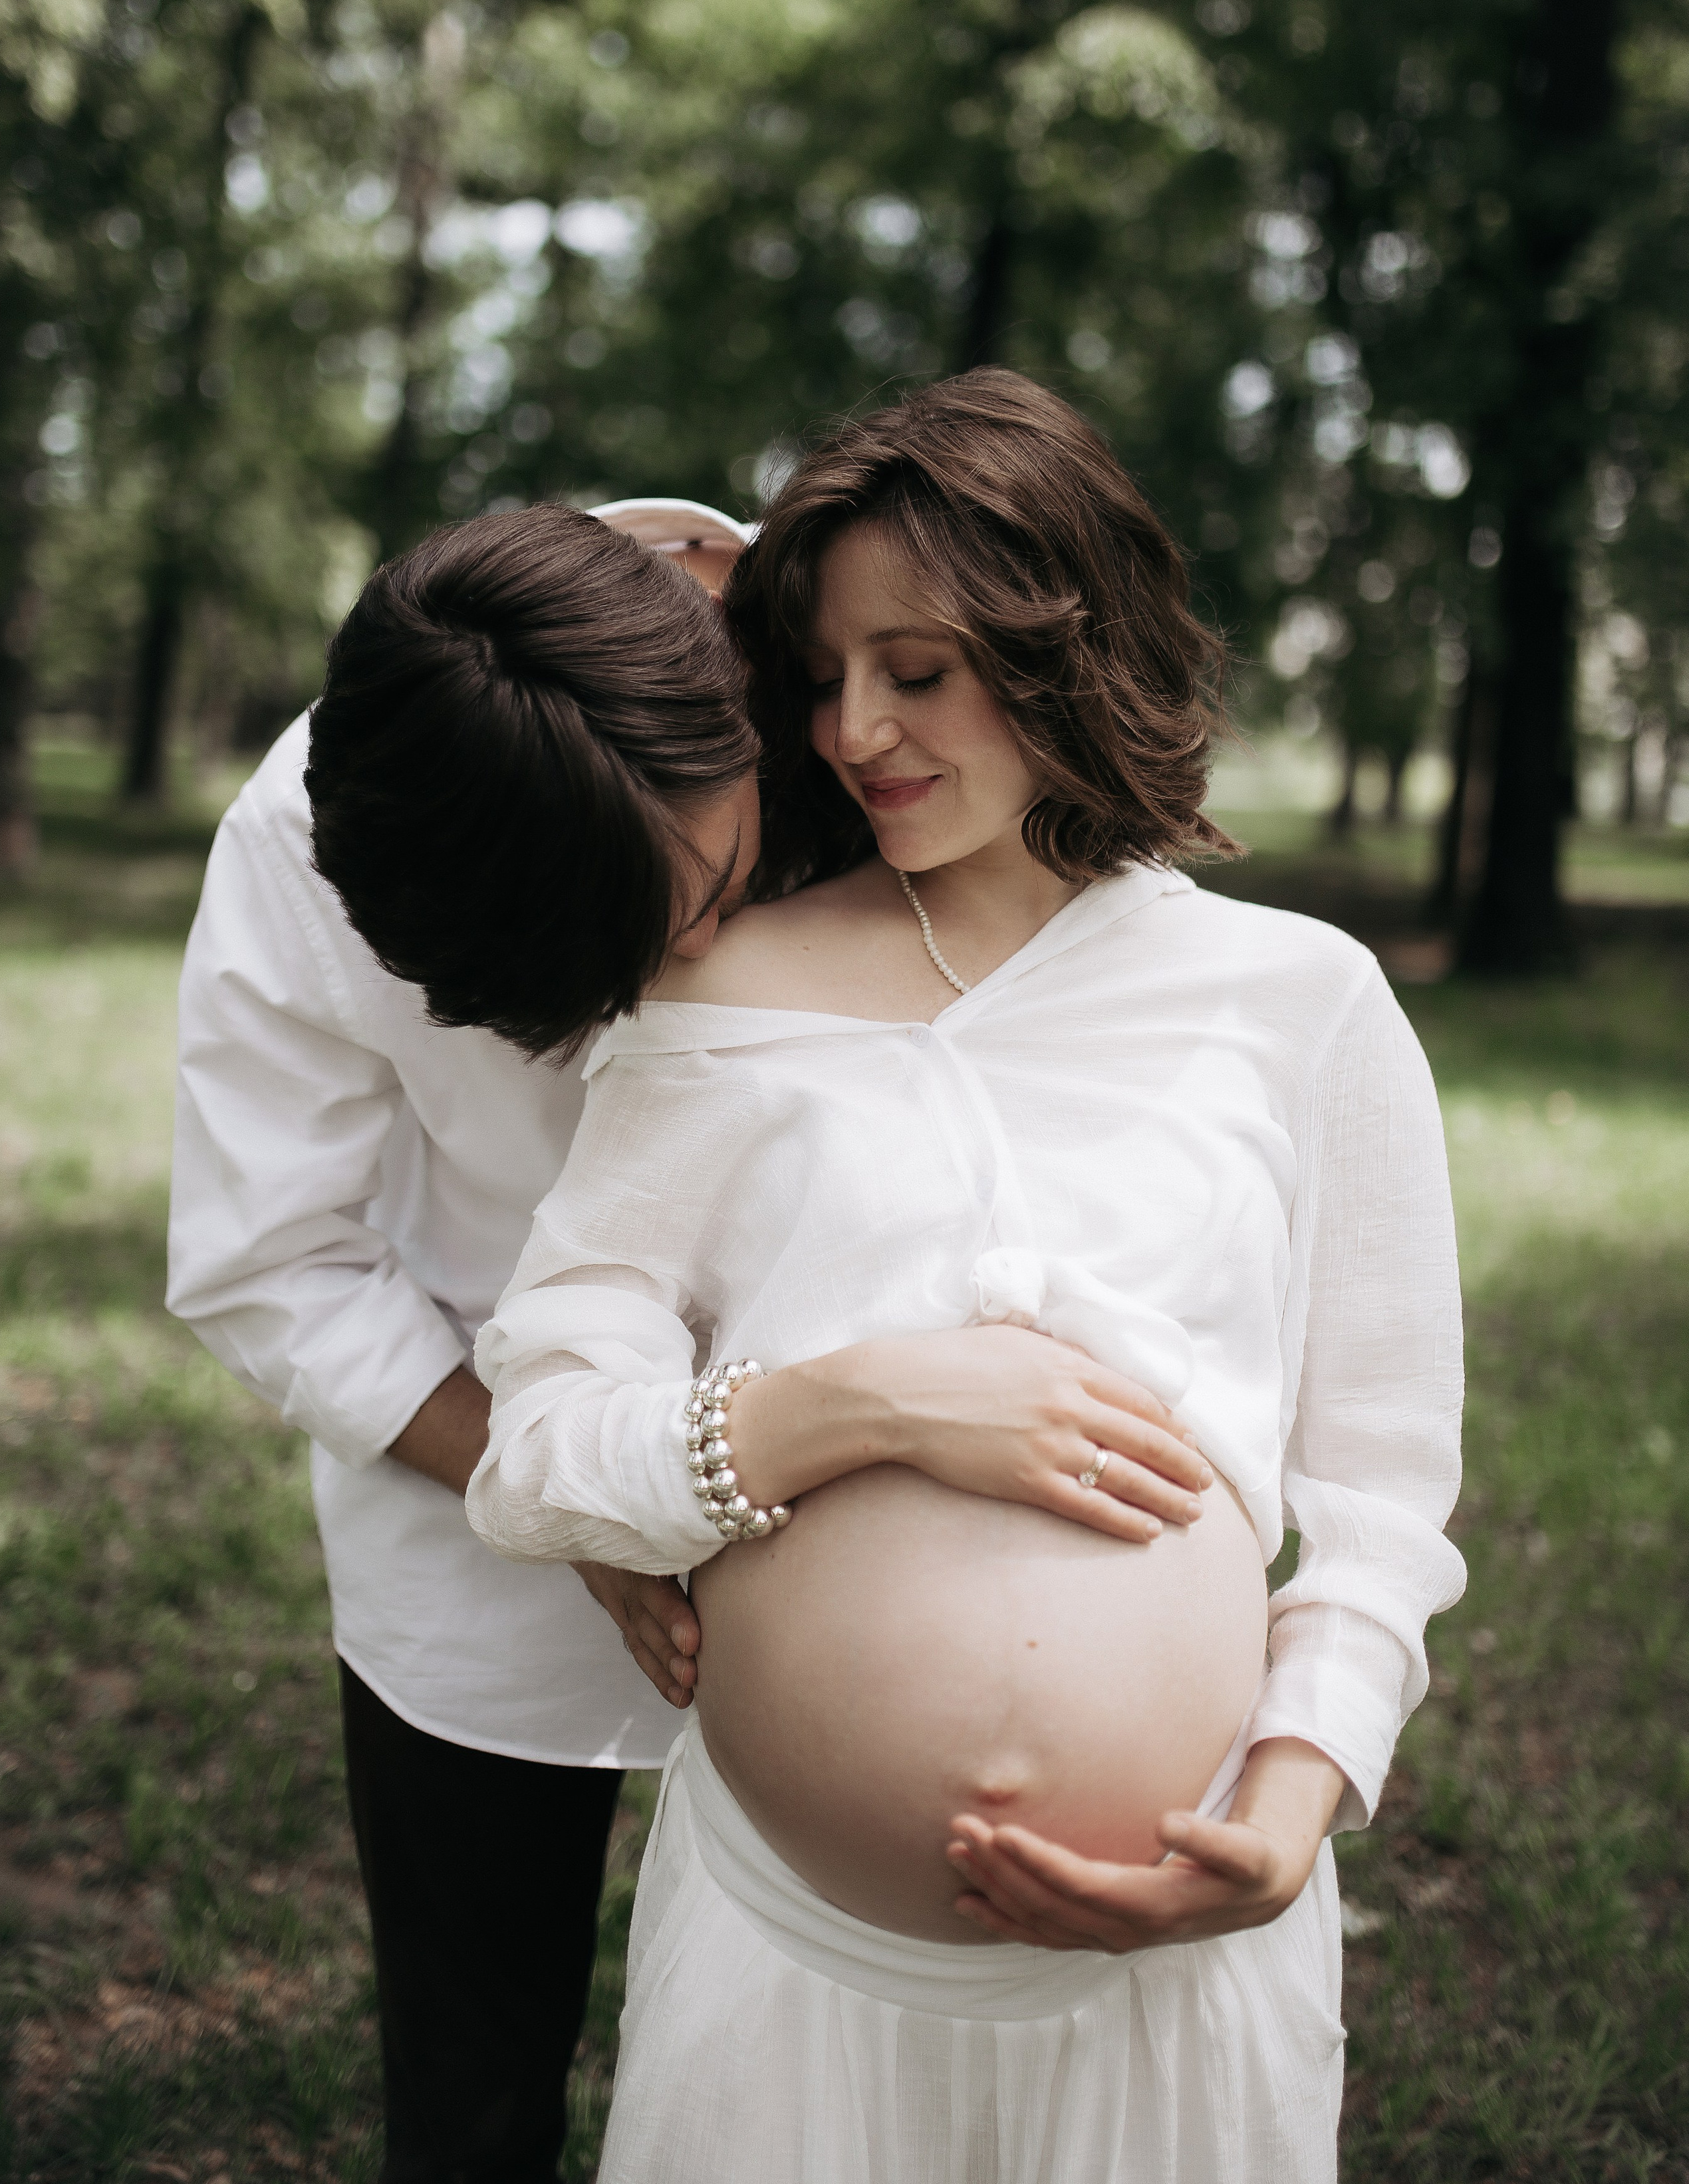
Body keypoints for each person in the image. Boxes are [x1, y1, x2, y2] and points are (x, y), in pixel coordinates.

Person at [465, 370, 1467, 2183]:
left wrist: (1298, 1801)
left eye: (918, 672)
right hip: (796, 1977)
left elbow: (1385, 1493)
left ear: (1068, 643)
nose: (856, 729)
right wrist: (854, 1408)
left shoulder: (1300, 1004)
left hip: (1176, 1978)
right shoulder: (713, 996)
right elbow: (536, 1446)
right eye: (826, 676)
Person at [165, 495, 765, 2184]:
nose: (707, 964)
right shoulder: (310, 835)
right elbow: (275, 1260)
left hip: (853, 1480)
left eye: (714, 892)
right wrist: (567, 1492)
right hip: (476, 1495)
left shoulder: (875, 680)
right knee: (476, 2074)